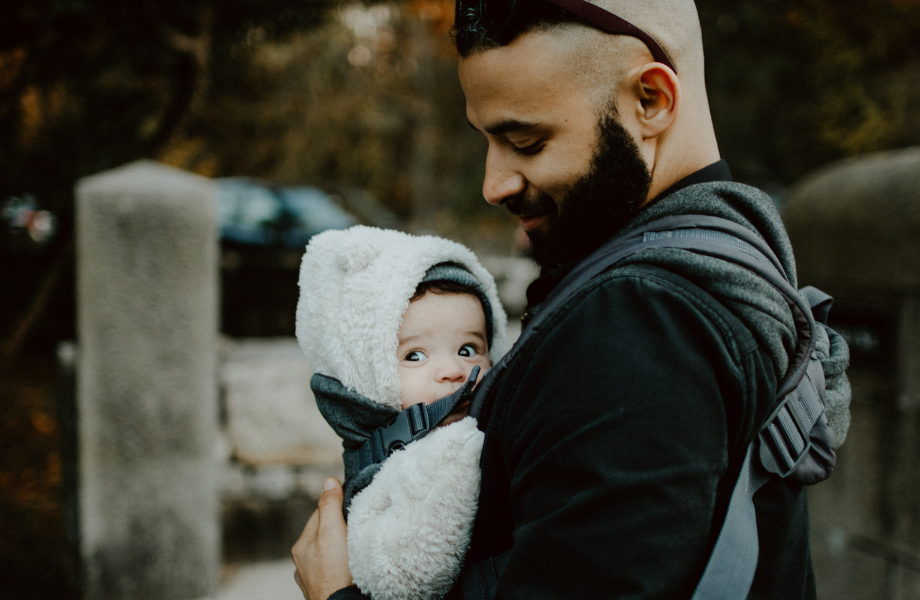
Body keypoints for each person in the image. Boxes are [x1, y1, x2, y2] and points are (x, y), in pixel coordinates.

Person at [292, 2, 852, 599]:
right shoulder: (735, 254)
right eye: (487, 141)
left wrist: (338, 596)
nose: (494, 183)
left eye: (526, 141)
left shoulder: (637, 321)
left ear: (651, 101)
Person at [294, 225, 509, 600]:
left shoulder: (497, 435)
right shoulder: (385, 463)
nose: (453, 371)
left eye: (468, 348)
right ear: (367, 377)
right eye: (415, 355)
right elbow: (403, 574)